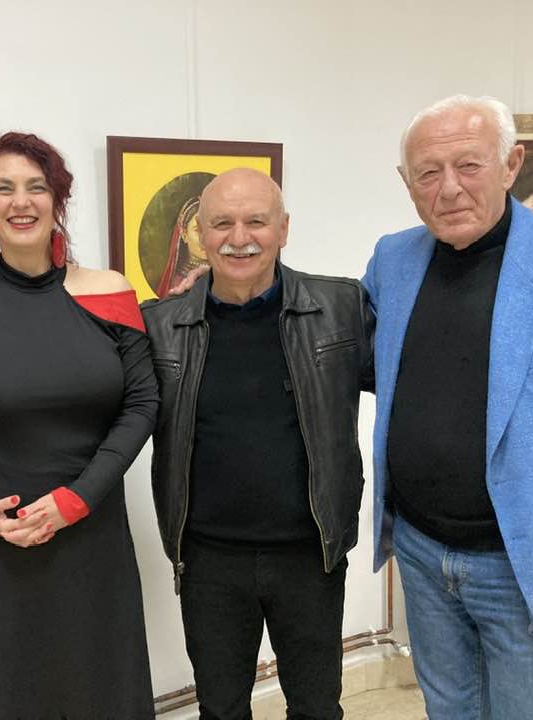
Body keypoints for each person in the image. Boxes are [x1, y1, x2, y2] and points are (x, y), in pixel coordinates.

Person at [364, 94, 533, 719]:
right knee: (449, 709)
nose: (448, 188)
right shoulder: (393, 259)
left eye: (469, 165)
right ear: (406, 182)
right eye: (428, 172)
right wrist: (227, 287)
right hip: (422, 553)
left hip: (526, 568)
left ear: (512, 164)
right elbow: (334, 341)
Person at [0, 131, 159, 719]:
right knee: (10, 696)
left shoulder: (109, 292)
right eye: (3, 188)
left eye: (36, 187)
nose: (21, 201)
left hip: (92, 533)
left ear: (57, 201)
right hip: (0, 543)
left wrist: (77, 500)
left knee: (101, 691)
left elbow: (142, 403)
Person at [142, 167, 374, 720]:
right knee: (221, 710)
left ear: (283, 228)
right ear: (200, 233)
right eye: (222, 223)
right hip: (208, 560)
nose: (239, 237)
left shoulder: (340, 306)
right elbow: (103, 402)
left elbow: (414, 380)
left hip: (310, 555)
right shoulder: (160, 324)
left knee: (316, 708)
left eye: (256, 221)